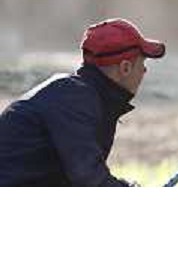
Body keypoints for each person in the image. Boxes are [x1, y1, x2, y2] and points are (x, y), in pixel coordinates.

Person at [0, 18, 165, 187]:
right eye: (142, 63)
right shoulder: (74, 101)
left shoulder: (78, 95)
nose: (144, 71)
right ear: (125, 68)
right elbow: (90, 182)